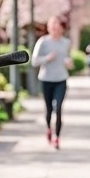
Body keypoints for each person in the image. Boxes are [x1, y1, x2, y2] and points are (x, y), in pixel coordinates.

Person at [30, 16, 73, 149]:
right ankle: (49, 128)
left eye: (57, 24)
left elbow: (68, 59)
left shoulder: (66, 42)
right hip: (46, 79)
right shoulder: (43, 42)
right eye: (52, 24)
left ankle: (57, 138)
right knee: (49, 110)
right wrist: (48, 58)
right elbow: (34, 61)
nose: (54, 27)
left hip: (61, 79)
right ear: (48, 27)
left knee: (58, 108)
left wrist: (69, 62)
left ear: (61, 27)